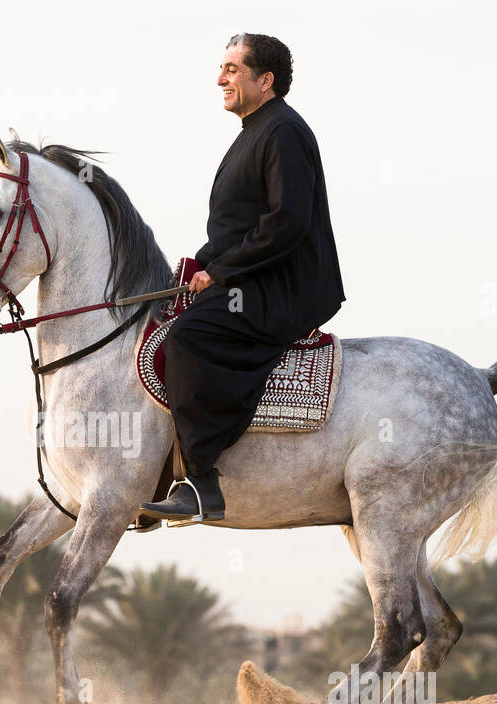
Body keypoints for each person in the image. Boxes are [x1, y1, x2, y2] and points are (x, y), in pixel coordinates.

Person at [139, 33, 345, 522]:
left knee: (187, 339)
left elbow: (286, 223)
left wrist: (222, 273)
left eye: (232, 69)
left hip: (283, 286)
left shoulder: (284, 132)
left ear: (265, 79)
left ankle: (201, 483)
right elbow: (238, 228)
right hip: (252, 276)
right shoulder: (254, 131)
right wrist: (200, 265)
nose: (220, 79)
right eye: (222, 68)